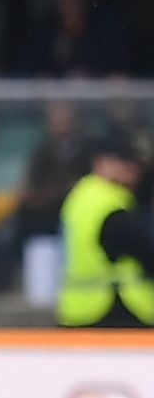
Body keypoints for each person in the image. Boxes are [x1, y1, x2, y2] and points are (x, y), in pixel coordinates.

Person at [56, 132, 154, 328]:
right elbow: (146, 252)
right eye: (124, 161)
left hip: (77, 311)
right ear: (101, 162)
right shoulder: (110, 206)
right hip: (110, 313)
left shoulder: (82, 194)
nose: (133, 168)